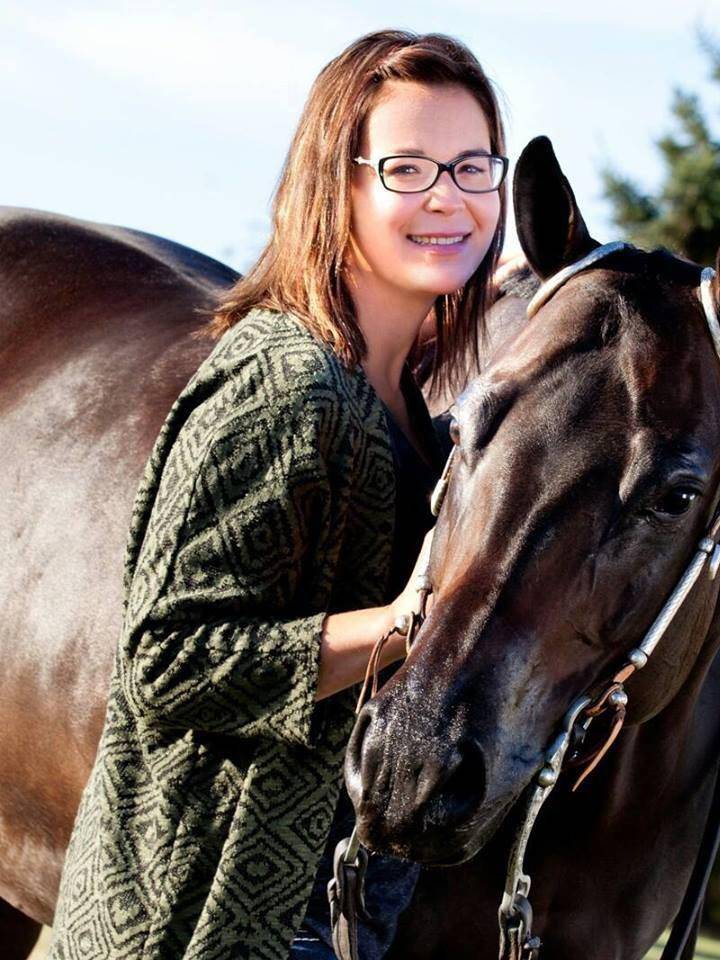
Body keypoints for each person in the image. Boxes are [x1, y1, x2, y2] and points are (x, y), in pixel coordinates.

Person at [48, 29, 511, 960]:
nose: (447, 198)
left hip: (323, 920)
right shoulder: (284, 387)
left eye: (472, 167)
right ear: (337, 185)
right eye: (407, 169)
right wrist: (399, 623)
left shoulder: (411, 412)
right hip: (192, 926)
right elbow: (164, 659)